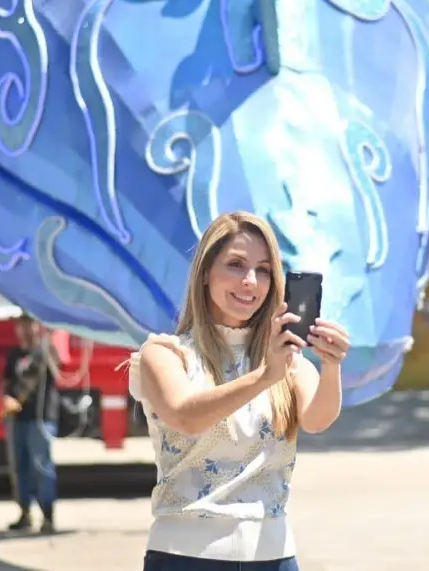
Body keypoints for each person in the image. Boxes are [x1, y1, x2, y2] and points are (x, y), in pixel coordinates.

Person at [126, 211, 350, 570]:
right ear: (204, 275)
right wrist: (264, 376)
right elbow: (185, 415)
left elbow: (317, 420)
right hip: (185, 556)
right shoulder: (166, 354)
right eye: (236, 265)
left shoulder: (288, 361)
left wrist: (332, 365)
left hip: (274, 555)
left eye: (263, 270)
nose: (250, 281)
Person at [1, 312, 60, 533]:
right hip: (17, 420)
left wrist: (16, 399)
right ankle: (25, 512)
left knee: (41, 467)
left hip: (40, 418)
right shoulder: (14, 354)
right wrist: (6, 399)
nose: (25, 330)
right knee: (19, 467)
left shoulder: (45, 351)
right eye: (21, 325)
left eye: (29, 324)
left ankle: (48, 515)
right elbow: (6, 381)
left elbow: (33, 377)